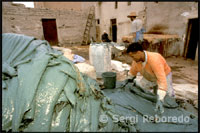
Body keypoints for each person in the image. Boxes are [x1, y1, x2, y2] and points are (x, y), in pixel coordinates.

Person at [126, 42, 175, 114]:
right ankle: (154, 97)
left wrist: (161, 99)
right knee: (141, 87)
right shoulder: (136, 61)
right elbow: (132, 72)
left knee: (167, 95)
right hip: (149, 76)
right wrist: (128, 79)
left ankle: (171, 109)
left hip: (164, 75)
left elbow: (162, 80)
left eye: (133, 56)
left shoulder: (155, 60)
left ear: (139, 52)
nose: (132, 59)